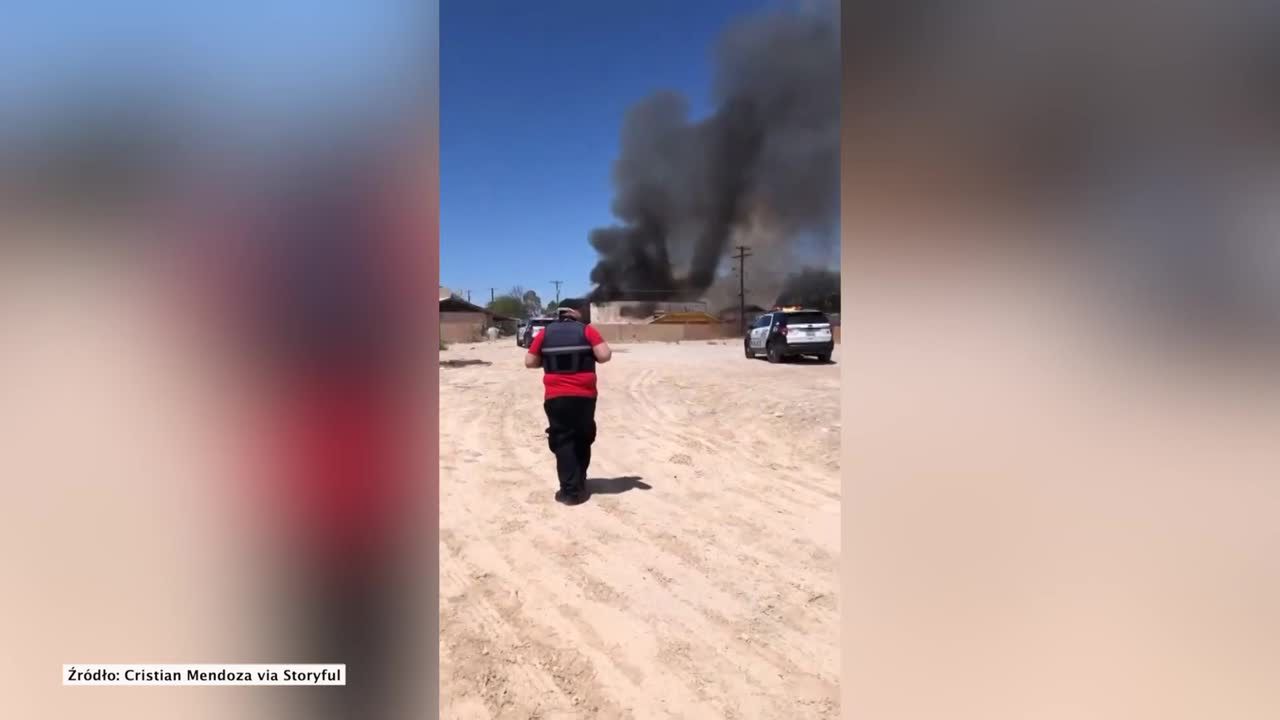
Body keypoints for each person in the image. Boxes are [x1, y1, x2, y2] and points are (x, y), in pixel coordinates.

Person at [525, 305, 612, 505]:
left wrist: (547, 361)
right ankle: (579, 481)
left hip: (556, 396)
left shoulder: (545, 333)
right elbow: (604, 356)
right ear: (575, 314)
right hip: (585, 395)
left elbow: (530, 362)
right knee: (583, 436)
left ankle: (569, 492)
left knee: (563, 439)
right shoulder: (586, 330)